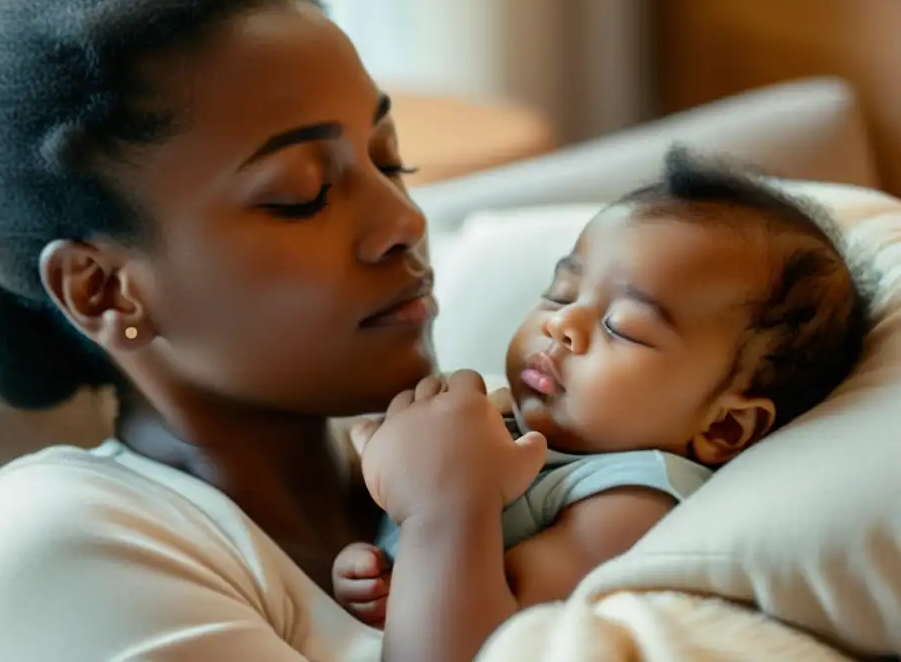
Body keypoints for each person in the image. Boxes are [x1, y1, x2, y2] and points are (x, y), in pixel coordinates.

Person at [0, 0, 541, 662]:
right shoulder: (59, 548)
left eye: (390, 161)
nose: (403, 221)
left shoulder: (493, 440)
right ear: (103, 291)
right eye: (303, 194)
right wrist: (449, 519)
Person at [331, 148, 869, 628]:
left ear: (724, 425)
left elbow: (473, 643)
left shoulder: (629, 500)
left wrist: (436, 504)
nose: (561, 324)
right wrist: (376, 566)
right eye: (561, 293)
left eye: (623, 327)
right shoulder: (501, 417)